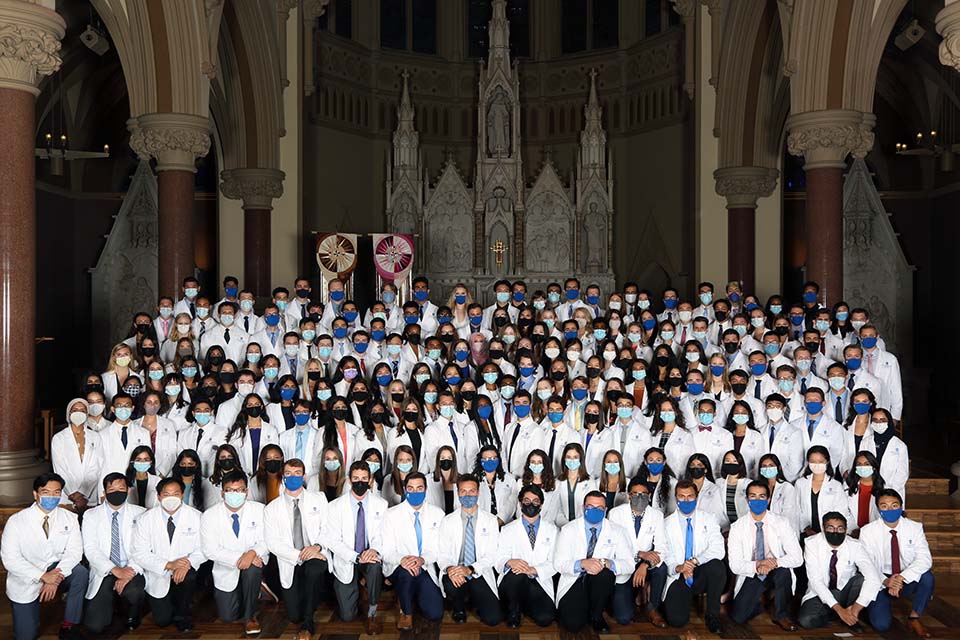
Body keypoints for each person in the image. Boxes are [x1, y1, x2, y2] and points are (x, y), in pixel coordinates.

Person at [2, 473, 88, 640]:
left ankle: (69, 625)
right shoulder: (16, 521)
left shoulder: (70, 518)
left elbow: (74, 552)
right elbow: (10, 560)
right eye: (46, 492)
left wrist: (54, 578)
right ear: (36, 494)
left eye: (57, 492)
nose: (52, 496)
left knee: (80, 573)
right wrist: (43, 576)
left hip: (56, 570)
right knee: (26, 636)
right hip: (27, 578)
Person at [264, 459, 330, 640]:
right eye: (288, 474)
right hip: (290, 560)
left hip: (316, 555)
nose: (293, 477)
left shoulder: (319, 499)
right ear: (282, 476)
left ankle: (308, 623)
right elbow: (272, 543)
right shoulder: (271, 509)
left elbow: (328, 529)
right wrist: (301, 554)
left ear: (304, 476)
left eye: (297, 473)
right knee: (294, 616)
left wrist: (316, 547)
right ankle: (305, 609)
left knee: (314, 568)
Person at [131, 476, 206, 634]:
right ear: (158, 497)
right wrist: (169, 565)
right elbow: (139, 552)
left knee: (189, 577)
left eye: (175, 493)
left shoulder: (197, 517)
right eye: (166, 494)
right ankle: (169, 602)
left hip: (184, 569)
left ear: (182, 494)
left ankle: (183, 616)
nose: (171, 498)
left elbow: (203, 548)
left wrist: (187, 563)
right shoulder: (146, 519)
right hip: (159, 572)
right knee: (162, 620)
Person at [553, 490, 633, 633]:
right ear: (583, 508)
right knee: (573, 625)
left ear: (606, 509)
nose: (595, 511)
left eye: (600, 508)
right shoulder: (568, 529)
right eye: (590, 507)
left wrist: (606, 563)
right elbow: (559, 563)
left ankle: (596, 616)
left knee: (605, 574)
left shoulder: (618, 531)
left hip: (598, 582)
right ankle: (583, 609)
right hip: (575, 579)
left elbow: (629, 564)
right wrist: (582, 563)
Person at [727, 480, 802, 630]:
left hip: (776, 568)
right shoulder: (737, 527)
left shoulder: (782, 523)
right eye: (753, 496)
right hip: (753, 572)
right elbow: (735, 565)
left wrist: (773, 562)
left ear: (768, 500)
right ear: (747, 500)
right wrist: (758, 565)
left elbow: (797, 558)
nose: (757, 500)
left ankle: (781, 615)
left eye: (761, 497)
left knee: (784, 573)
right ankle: (765, 601)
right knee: (738, 617)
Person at [200, 471, 268, 635]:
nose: (234, 494)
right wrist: (242, 558)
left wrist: (252, 553)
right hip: (226, 569)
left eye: (239, 490)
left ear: (246, 491)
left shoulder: (260, 510)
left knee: (252, 570)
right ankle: (255, 591)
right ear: (222, 493)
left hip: (254, 562)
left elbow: (268, 539)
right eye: (230, 490)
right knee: (228, 617)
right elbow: (210, 550)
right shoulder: (210, 515)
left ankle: (250, 617)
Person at [324, 461, 388, 634]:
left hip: (370, 556)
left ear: (370, 480)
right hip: (348, 558)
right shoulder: (335, 507)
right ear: (349, 480)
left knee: (374, 566)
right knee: (347, 616)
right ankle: (359, 586)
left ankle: (372, 612)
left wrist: (373, 550)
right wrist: (356, 557)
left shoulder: (381, 505)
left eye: (364, 478)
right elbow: (332, 540)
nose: (360, 482)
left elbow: (382, 535)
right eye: (356, 478)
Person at [862, 489, 934, 637]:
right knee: (881, 625)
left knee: (927, 577)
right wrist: (887, 581)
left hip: (905, 578)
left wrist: (901, 578)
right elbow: (866, 564)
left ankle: (914, 618)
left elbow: (925, 559)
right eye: (884, 505)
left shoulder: (914, 528)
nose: (890, 509)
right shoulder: (867, 531)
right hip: (881, 580)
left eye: (894, 505)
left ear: (901, 506)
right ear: (878, 508)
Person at [82, 473, 147, 634]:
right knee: (94, 626)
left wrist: (128, 572)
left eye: (121, 488)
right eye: (111, 489)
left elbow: (146, 548)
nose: (116, 492)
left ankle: (132, 612)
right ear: (104, 492)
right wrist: (115, 570)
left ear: (129, 490)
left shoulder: (142, 513)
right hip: (105, 570)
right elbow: (90, 549)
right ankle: (112, 604)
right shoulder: (90, 515)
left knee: (134, 592)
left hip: (132, 568)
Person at [380, 471, 445, 630]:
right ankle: (406, 612)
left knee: (435, 613)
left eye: (419, 488)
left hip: (424, 566)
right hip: (399, 566)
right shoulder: (391, 514)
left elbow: (439, 548)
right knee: (406, 573)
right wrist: (404, 560)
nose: (415, 492)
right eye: (411, 488)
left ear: (426, 489)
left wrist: (421, 560)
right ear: (404, 489)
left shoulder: (438, 514)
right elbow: (386, 550)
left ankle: (407, 594)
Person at [798, 511, 883, 630]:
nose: (835, 532)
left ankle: (851, 614)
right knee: (807, 621)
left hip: (846, 592)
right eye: (830, 528)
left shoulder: (855, 545)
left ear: (846, 529)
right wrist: (839, 610)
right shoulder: (811, 544)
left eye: (840, 528)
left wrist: (856, 609)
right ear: (823, 528)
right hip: (821, 592)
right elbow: (816, 581)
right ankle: (840, 614)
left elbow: (874, 578)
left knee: (862, 579)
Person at [661, 480, 726, 633]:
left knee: (717, 566)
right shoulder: (665, 524)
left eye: (690, 496)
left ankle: (713, 615)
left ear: (697, 497)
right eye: (681, 497)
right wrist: (680, 567)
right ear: (675, 498)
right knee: (677, 621)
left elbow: (718, 549)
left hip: (700, 572)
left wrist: (694, 562)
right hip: (678, 576)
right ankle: (682, 600)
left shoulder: (709, 519)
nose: (686, 500)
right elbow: (665, 554)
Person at [438, 474, 503, 626]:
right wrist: (451, 568)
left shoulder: (491, 520)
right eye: (463, 491)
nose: (468, 495)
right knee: (451, 583)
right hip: (455, 571)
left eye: (472, 491)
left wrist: (470, 569)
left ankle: (475, 600)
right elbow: (442, 554)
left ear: (478, 492)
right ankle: (458, 607)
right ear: (458, 492)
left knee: (493, 619)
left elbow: (491, 555)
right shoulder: (447, 521)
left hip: (477, 571)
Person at [608, 478, 668, 627]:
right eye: (635, 494)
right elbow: (613, 547)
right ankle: (633, 596)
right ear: (628, 495)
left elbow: (662, 547)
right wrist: (640, 554)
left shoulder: (657, 515)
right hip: (624, 564)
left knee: (661, 568)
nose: (639, 497)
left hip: (644, 564)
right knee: (623, 618)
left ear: (649, 495)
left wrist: (645, 564)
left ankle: (652, 608)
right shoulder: (615, 514)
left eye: (643, 494)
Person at [496, 485, 558, 628]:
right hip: (514, 580)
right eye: (527, 500)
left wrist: (532, 570)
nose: (531, 504)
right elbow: (499, 559)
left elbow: (554, 562)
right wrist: (510, 562)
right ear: (520, 503)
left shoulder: (552, 530)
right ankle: (514, 611)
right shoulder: (507, 529)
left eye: (536, 501)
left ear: (541, 505)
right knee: (517, 574)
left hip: (538, 580)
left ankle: (523, 603)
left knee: (546, 618)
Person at [51, 397, 104, 511]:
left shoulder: (95, 436)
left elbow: (97, 466)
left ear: (87, 414)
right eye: (75, 410)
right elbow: (60, 468)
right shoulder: (59, 438)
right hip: (67, 496)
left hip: (89, 495)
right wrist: (73, 493)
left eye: (82, 410)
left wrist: (83, 493)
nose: (79, 413)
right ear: (69, 413)